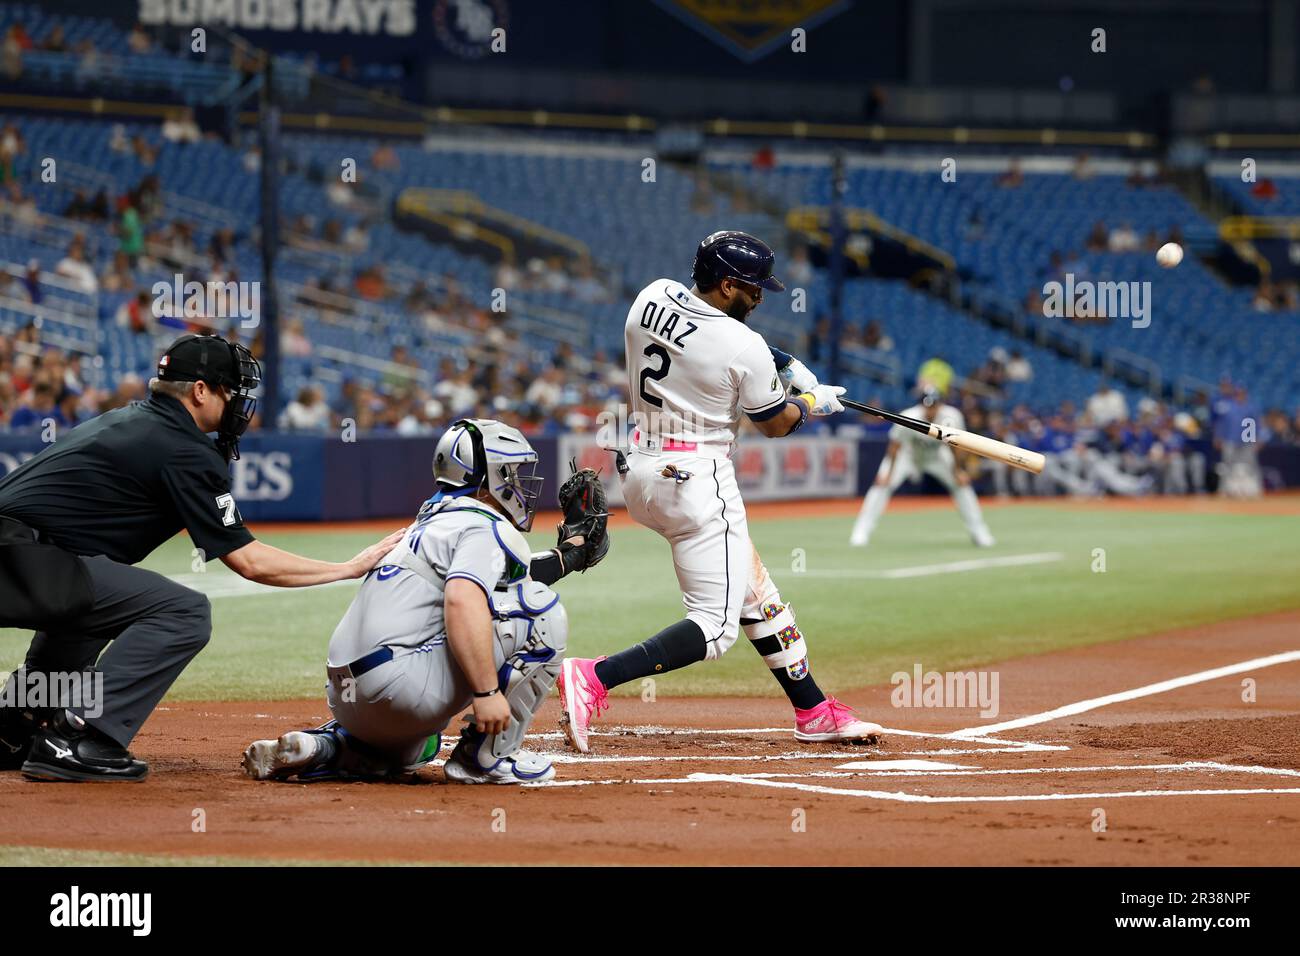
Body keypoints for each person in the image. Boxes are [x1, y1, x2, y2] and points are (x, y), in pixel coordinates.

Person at [0, 333, 404, 781]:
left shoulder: (132, 420)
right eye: (230, 391)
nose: (236, 404)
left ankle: (11, 727)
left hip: (26, 557)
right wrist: (348, 567)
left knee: (92, 604)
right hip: (22, 557)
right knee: (184, 612)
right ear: (199, 391)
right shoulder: (183, 447)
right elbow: (249, 561)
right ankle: (80, 737)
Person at [557, 231, 882, 754]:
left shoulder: (652, 295)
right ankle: (594, 676)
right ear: (728, 284)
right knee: (713, 629)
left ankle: (814, 710)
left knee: (759, 596)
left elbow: (704, 335)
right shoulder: (742, 346)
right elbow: (775, 424)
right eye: (752, 289)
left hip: (639, 468)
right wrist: (812, 401)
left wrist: (783, 361)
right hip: (695, 480)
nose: (759, 297)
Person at [242, 419, 611, 784]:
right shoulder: (486, 525)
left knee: (419, 747)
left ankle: (328, 745)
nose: (516, 481)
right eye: (510, 471)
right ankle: (488, 758)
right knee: (542, 612)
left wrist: (569, 555)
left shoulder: (428, 521)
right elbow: (463, 599)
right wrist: (485, 693)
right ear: (488, 477)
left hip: (349, 697)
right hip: (400, 688)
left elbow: (501, 577)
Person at [850, 386, 996, 547]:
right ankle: (861, 531)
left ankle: (979, 532)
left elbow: (956, 446)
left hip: (937, 456)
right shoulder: (909, 416)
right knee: (881, 485)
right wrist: (888, 473)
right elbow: (894, 446)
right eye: (928, 405)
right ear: (921, 405)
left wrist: (958, 470)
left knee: (962, 486)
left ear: (940, 404)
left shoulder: (952, 416)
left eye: (934, 405)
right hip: (908, 455)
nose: (931, 409)